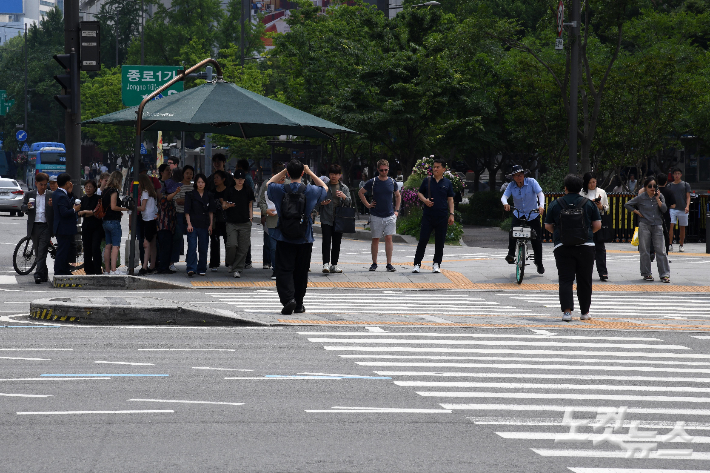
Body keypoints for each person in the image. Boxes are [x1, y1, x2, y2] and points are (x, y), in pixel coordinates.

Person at [266, 160, 328, 315]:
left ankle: (288, 299)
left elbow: (268, 184)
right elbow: (325, 187)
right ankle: (299, 304)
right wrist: (310, 172)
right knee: (301, 271)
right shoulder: (311, 190)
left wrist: (283, 171)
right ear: (302, 173)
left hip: (283, 236)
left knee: (283, 270)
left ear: (287, 173)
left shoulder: (280, 189)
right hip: (304, 237)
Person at [544, 174, 602, 322]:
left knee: (565, 279)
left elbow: (548, 226)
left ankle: (567, 312)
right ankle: (585, 312)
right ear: (581, 188)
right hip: (586, 246)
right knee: (585, 280)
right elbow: (597, 226)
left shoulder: (555, 204)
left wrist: (561, 234)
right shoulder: (588, 203)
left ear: (565, 188)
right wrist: (584, 235)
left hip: (563, 246)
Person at [624, 177, 670, 283]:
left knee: (661, 251)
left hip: (657, 225)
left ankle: (664, 274)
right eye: (650, 186)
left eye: (654, 186)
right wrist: (637, 212)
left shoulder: (660, 196)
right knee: (645, 250)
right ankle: (646, 273)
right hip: (644, 225)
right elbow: (627, 204)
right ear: (645, 187)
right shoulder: (641, 197)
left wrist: (658, 199)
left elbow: (664, 209)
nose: (652, 188)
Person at [412, 158, 455, 274]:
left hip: (442, 216)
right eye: (434, 167)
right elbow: (419, 193)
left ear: (443, 169)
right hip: (428, 215)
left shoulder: (447, 183)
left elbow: (450, 199)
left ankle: (436, 264)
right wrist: (425, 200)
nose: (435, 169)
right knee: (423, 240)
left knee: (440, 241)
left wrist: (452, 214)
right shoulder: (427, 180)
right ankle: (417, 264)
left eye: (437, 167)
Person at [358, 159, 401, 272]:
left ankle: (389, 263)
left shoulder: (392, 182)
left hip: (390, 214)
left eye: (386, 170)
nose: (384, 172)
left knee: (388, 237)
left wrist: (396, 210)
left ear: (388, 169)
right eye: (381, 170)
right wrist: (368, 205)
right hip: (376, 214)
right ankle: (374, 263)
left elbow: (398, 196)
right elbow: (361, 192)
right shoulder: (372, 181)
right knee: (375, 239)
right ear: (378, 170)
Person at [501, 164, 545, 274]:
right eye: (516, 176)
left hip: (532, 214)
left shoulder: (532, 182)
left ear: (524, 175)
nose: (518, 177)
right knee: (513, 232)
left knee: (536, 239)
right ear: (513, 177)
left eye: (520, 175)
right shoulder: (511, 185)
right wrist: (505, 203)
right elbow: (504, 197)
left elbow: (540, 194)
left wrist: (541, 206)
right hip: (518, 213)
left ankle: (538, 262)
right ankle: (511, 254)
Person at [319, 164, 352, 274]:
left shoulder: (344, 188)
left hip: (339, 219)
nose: (334, 176)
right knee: (326, 242)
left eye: (336, 174)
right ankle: (325, 264)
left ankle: (334, 264)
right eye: (332, 174)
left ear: (340, 175)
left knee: (337, 242)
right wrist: (322, 203)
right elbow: (317, 202)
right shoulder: (324, 187)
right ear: (329, 175)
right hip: (326, 218)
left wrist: (343, 196)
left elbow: (349, 202)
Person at [222, 169, 255, 278]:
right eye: (238, 179)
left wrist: (251, 218)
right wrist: (228, 206)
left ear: (244, 180)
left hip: (245, 222)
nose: (240, 181)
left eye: (242, 179)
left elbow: (250, 205)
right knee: (232, 244)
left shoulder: (248, 190)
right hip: (231, 222)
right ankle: (230, 262)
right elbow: (224, 205)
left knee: (243, 247)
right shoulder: (229, 190)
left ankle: (237, 269)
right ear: (234, 179)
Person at [21, 172, 54, 283]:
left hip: (46, 226)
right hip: (34, 226)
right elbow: (23, 207)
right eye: (41, 184)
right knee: (38, 251)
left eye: (45, 184)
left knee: (42, 250)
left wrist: (52, 206)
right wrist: (27, 207)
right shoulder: (29, 194)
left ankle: (38, 274)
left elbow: (55, 211)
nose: (43, 187)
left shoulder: (50, 195)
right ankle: (44, 273)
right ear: (36, 183)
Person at [259, 162, 285, 280]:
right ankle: (275, 269)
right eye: (280, 178)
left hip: (286, 221)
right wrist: (265, 211)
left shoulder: (290, 184)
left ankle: (285, 269)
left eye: (284, 178)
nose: (282, 180)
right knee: (273, 246)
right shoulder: (267, 184)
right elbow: (262, 200)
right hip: (272, 219)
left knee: (285, 246)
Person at [581, 172, 609, 281]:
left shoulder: (601, 192)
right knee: (586, 248)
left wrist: (601, 206)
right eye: (590, 182)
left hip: (598, 221)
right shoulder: (582, 193)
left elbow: (607, 208)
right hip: (586, 222)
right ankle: (585, 271)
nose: (592, 184)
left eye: (594, 182)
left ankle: (603, 272)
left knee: (600, 248)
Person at [184, 174, 214, 277]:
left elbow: (211, 212)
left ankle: (202, 268)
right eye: (199, 182)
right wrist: (188, 224)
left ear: (205, 183)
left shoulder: (209, 195)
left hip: (204, 224)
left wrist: (211, 224)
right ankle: (191, 268)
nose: (200, 184)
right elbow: (187, 211)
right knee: (192, 246)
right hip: (193, 224)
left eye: (202, 182)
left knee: (203, 247)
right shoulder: (190, 195)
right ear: (195, 183)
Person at [52, 173, 81, 276]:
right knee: (62, 250)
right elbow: (64, 212)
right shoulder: (60, 196)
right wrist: (74, 209)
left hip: (63, 228)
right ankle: (60, 271)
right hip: (64, 228)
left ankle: (64, 269)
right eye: (69, 182)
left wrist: (69, 193)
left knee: (65, 250)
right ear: (67, 183)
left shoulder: (58, 193)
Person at [102, 171, 130, 275]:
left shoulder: (105, 191)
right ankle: (114, 270)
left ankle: (107, 270)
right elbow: (113, 207)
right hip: (113, 221)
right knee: (115, 246)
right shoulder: (113, 191)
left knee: (108, 245)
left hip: (105, 221)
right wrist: (125, 209)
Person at [77, 180, 103, 275]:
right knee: (87, 249)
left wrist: (85, 212)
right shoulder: (82, 199)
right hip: (86, 227)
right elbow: (78, 213)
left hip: (97, 226)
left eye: (90, 187)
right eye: (86, 187)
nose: (88, 188)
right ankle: (88, 270)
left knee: (95, 247)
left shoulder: (98, 198)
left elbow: (96, 212)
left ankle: (97, 269)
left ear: (95, 188)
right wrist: (88, 212)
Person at [172, 165, 194, 271]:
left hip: (191, 216)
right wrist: (190, 201)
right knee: (178, 238)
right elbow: (177, 201)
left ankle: (190, 261)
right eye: (187, 173)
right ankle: (173, 261)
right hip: (180, 214)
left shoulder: (194, 187)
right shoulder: (178, 186)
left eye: (191, 173)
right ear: (183, 174)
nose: (189, 175)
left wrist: (186, 201)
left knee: (192, 239)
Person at [137, 174, 159, 275]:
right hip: (153, 219)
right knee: (153, 243)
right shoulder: (152, 193)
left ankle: (144, 266)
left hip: (147, 219)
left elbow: (142, 208)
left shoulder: (145, 193)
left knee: (146, 244)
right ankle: (152, 265)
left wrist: (133, 207)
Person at [210, 170, 231, 272]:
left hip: (227, 220)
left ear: (223, 179)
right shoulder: (212, 192)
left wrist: (225, 203)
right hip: (215, 220)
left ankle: (229, 262)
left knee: (228, 242)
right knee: (214, 241)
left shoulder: (229, 191)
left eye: (217, 178)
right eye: (214, 178)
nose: (215, 180)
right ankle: (214, 263)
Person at [667, 168, 691, 252]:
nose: (677, 175)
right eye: (675, 174)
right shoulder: (669, 186)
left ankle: (681, 244)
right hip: (672, 209)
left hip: (682, 208)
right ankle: (670, 244)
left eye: (678, 173)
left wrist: (687, 206)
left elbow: (688, 197)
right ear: (673, 175)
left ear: (681, 175)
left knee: (682, 227)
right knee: (671, 226)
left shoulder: (685, 184)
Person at [237, 158, 254, 269]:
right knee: (245, 238)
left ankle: (246, 260)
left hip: (243, 212)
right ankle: (247, 260)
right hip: (246, 212)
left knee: (243, 238)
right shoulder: (249, 178)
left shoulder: (245, 179)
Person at [656, 173, 676, 256]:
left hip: (655, 215)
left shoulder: (655, 191)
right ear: (666, 182)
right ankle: (665, 253)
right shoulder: (669, 191)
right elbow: (673, 205)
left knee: (655, 235)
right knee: (666, 234)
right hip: (666, 215)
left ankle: (655, 252)